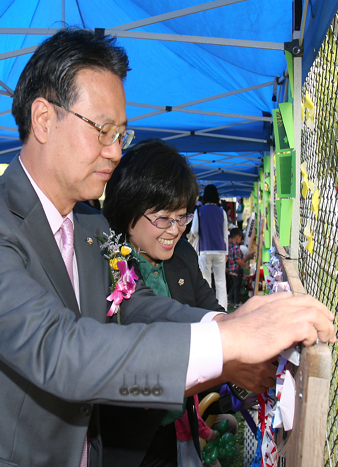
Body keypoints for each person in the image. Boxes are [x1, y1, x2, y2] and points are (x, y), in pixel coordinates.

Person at [0, 28, 335, 467]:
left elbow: (132, 304)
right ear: (43, 119)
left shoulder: (90, 223)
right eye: (103, 130)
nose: (114, 152)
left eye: (122, 135)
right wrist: (228, 341)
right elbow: (56, 350)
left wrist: (224, 320)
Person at [101, 139, 256, 467]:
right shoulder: (106, 255)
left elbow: (207, 305)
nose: (174, 230)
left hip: (175, 421)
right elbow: (142, 314)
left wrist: (238, 332)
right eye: (162, 218)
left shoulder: (182, 253)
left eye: (182, 217)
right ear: (128, 209)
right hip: (126, 437)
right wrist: (229, 344)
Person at [191, 184, 229, 309]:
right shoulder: (222, 212)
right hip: (220, 250)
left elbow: (195, 230)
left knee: (205, 280)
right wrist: (227, 252)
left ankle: (207, 309)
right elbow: (225, 235)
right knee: (220, 281)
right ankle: (222, 308)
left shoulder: (199, 211)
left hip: (205, 249)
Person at [227, 228, 249, 309]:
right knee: (237, 287)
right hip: (236, 270)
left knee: (233, 286)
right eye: (241, 238)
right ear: (238, 237)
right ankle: (236, 302)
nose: (241, 240)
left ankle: (230, 300)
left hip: (231, 270)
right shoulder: (236, 247)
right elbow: (237, 260)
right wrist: (245, 265)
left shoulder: (229, 246)